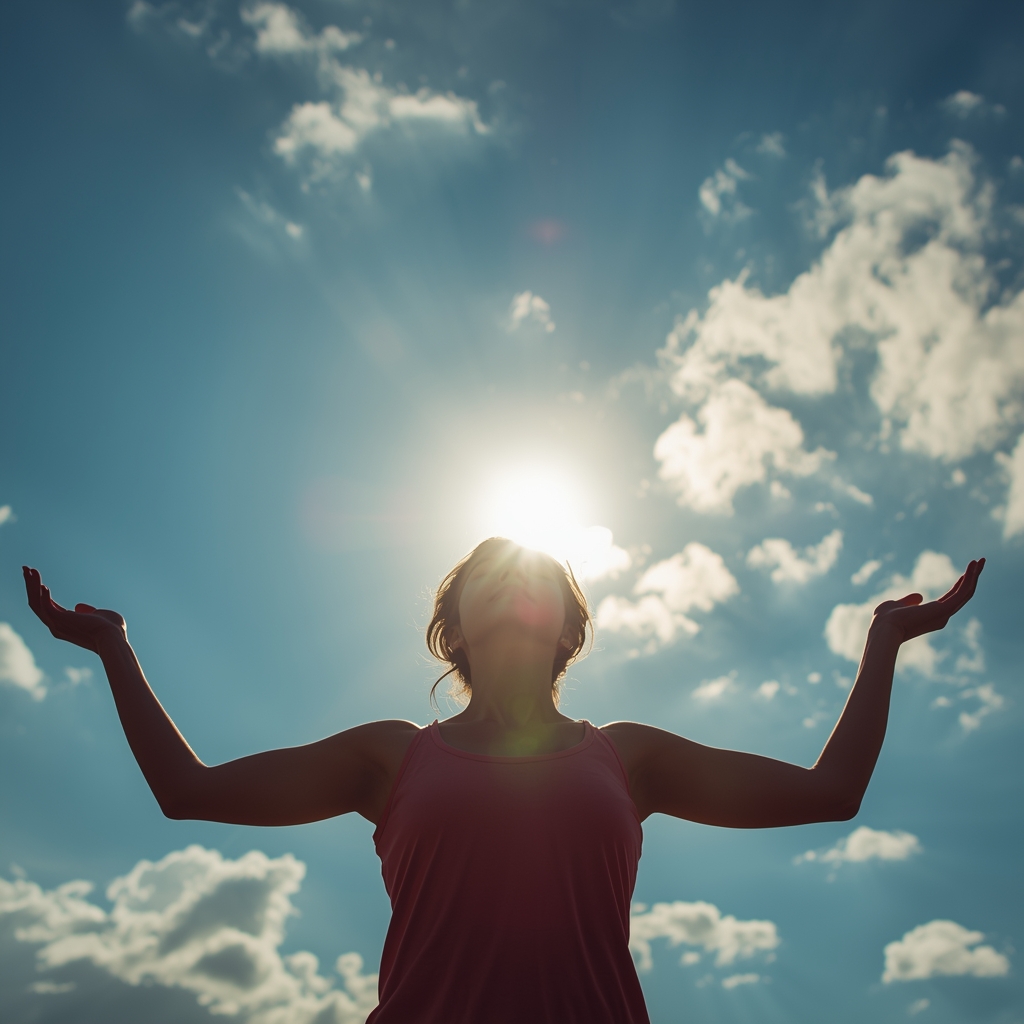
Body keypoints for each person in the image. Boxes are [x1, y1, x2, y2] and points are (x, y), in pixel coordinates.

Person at [22, 541, 984, 1024]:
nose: (516, 592)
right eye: (491, 579)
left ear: (570, 629)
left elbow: (830, 792)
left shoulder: (628, 756)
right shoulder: (392, 756)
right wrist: (112, 651)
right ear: (454, 628)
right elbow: (189, 790)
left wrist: (884, 646)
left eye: (543, 585)